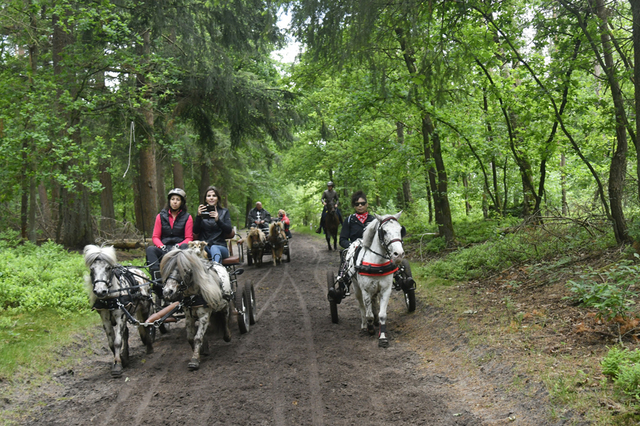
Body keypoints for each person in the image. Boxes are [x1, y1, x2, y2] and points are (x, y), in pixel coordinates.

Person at [332, 190, 415, 299]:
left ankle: (398, 276)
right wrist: (352, 245)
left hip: (373, 250)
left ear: (366, 204)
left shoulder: (375, 220)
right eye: (357, 204)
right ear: (354, 206)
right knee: (346, 258)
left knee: (387, 254)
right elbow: (342, 239)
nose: (360, 206)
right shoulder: (349, 220)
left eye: (362, 203)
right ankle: (342, 284)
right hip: (355, 249)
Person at [146, 188, 194, 292]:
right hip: (164, 249)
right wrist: (161, 246)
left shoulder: (187, 217)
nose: (175, 202)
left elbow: (189, 238)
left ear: (182, 202)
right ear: (169, 201)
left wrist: (178, 245)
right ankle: (157, 280)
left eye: (178, 199)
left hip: (179, 249)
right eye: (173, 199)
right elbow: (155, 237)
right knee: (150, 249)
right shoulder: (160, 216)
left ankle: (185, 280)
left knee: (185, 247)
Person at [194, 186, 233, 263]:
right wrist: (198, 216)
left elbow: (229, 230)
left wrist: (218, 220)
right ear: (205, 199)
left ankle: (216, 269)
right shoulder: (201, 212)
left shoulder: (224, 212)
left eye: (214, 196)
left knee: (214, 248)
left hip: (220, 247)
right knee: (198, 251)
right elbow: (195, 231)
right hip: (205, 247)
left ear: (218, 198)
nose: (211, 198)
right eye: (209, 196)